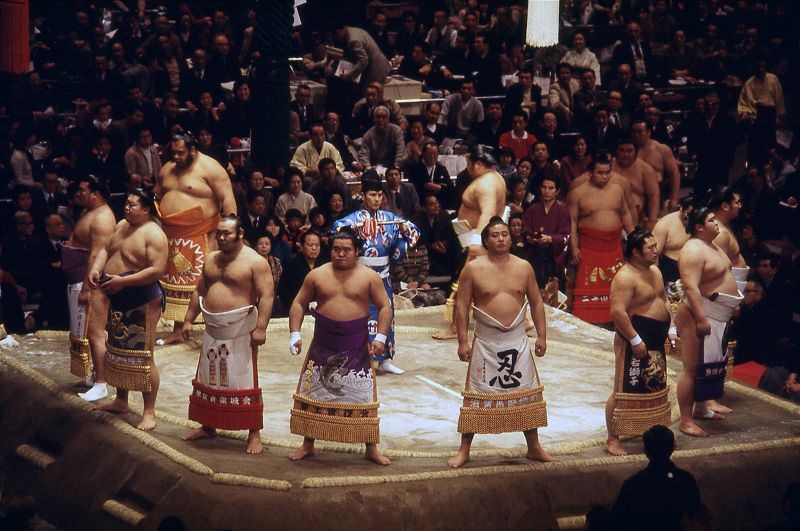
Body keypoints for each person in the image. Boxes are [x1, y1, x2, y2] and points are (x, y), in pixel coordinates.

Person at [448, 217, 553, 468]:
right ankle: (464, 449)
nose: (501, 239)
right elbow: (461, 306)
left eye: (504, 234)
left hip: (517, 340)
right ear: (485, 241)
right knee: (477, 395)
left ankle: (534, 446)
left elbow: (537, 302)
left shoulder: (524, 267)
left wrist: (542, 335)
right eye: (495, 235)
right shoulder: (473, 269)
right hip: (486, 342)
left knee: (525, 393)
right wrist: (463, 341)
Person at [288, 229, 392, 465]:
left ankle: (371, 447)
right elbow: (298, 303)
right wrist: (294, 333)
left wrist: (381, 338)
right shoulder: (317, 275)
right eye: (336, 249)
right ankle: (308, 444)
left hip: (356, 342)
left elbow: (384, 307)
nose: (341, 253)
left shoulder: (369, 277)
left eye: (346, 250)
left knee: (362, 395)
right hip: (323, 341)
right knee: (314, 391)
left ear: (357, 252)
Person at [180, 216, 273, 454]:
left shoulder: (255, 261)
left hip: (241, 327)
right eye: (218, 233)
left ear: (240, 233)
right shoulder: (211, 258)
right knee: (210, 375)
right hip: (212, 326)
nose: (221, 238)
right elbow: (200, 289)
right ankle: (207, 425)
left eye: (227, 234)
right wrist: (189, 319)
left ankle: (254, 433)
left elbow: (267, 295)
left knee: (242, 378)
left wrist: (261, 327)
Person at [86, 189, 168, 431]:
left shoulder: (154, 234)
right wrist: (96, 269)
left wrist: (123, 281)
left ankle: (149, 412)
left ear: (146, 209)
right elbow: (105, 250)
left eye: (133, 205)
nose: (127, 208)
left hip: (142, 298)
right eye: (127, 204)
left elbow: (157, 270)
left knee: (144, 357)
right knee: (117, 350)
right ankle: (121, 400)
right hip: (116, 295)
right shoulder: (122, 225)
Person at [332, 178, 419, 374]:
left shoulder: (390, 219)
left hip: (383, 276)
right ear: (363, 196)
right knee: (358, 316)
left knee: (386, 314)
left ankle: (385, 359)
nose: (377, 199)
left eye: (380, 195)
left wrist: (405, 232)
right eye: (372, 195)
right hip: (358, 277)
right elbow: (336, 230)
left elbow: (414, 232)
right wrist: (357, 229)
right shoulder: (353, 219)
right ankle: (357, 358)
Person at [155, 134, 236, 344]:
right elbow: (156, 196)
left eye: (181, 152)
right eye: (173, 153)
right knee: (176, 284)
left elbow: (227, 199)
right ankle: (178, 329)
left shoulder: (211, 168)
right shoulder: (166, 169)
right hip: (172, 235)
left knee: (201, 281)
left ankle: (217, 327)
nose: (177, 157)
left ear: (192, 149)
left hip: (203, 234)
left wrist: (227, 233)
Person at [606, 230, 674, 456]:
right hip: (635, 337)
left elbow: (663, 299)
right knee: (622, 390)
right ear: (635, 252)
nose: (656, 250)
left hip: (656, 337)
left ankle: (653, 437)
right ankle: (613, 438)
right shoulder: (625, 277)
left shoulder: (654, 270)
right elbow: (618, 312)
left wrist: (671, 328)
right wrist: (634, 339)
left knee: (653, 385)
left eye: (656, 246)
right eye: (650, 247)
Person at [676, 208, 742, 437]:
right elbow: (690, 287)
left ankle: (702, 408)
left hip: (717, 314)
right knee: (692, 369)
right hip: (699, 314)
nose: (717, 223)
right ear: (698, 227)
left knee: (707, 366)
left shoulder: (712, 246)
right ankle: (685, 420)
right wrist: (701, 318)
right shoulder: (693, 249)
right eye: (711, 220)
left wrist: (734, 304)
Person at [433, 144, 507, 340]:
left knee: (464, 284)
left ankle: (456, 328)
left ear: (479, 163)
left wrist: (478, 243)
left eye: (468, 163)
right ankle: (524, 320)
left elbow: (488, 213)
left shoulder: (486, 184)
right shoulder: (495, 178)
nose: (466, 167)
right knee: (498, 281)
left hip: (481, 240)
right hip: (481, 237)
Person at [65, 176, 116, 401]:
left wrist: (88, 287)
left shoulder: (103, 217)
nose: (79, 194)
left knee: (95, 333)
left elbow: (97, 255)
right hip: (77, 279)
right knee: (86, 332)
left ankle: (102, 383)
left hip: (90, 282)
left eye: (83, 190)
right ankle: (95, 374)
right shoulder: (89, 212)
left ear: (95, 193)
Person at [568, 152, 634, 325]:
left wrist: (634, 238)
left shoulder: (618, 189)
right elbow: (572, 223)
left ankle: (619, 318)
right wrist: (574, 247)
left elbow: (626, 213)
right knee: (588, 291)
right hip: (589, 248)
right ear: (590, 173)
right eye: (600, 173)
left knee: (619, 289)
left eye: (607, 172)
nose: (605, 177)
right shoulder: (578, 193)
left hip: (614, 247)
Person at [612, 425, 702, 529]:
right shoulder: (685, 479)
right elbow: (696, 512)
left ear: (645, 450)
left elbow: (618, 518)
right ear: (674, 447)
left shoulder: (633, 484)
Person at [522, 176, 571, 291]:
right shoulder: (532, 209)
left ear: (557, 191)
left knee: (555, 293)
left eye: (550, 188)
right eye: (544, 187)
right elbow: (525, 231)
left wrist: (550, 238)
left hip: (554, 258)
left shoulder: (562, 211)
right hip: (535, 255)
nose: (546, 191)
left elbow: (566, 235)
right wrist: (529, 237)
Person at [612, 138, 660, 230]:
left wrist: (652, 220)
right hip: (612, 216)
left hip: (638, 218)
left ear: (636, 152)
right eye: (621, 151)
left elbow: (654, 196)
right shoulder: (608, 168)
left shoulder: (645, 169)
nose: (625, 155)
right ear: (616, 152)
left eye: (629, 151)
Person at [632, 121, 680, 212]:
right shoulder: (628, 152)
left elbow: (674, 173)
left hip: (658, 192)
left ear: (648, 132)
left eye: (640, 132)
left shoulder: (661, 149)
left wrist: (674, 198)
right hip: (635, 195)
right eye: (634, 132)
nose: (636, 135)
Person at [708, 186, 748, 291]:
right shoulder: (720, 233)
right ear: (725, 206)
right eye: (737, 203)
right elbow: (715, 270)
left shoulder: (726, 225)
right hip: (727, 284)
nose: (740, 206)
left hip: (734, 280)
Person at [276, 231, 324, 316]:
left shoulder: (325, 264)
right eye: (310, 245)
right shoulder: (291, 263)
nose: (314, 248)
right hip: (296, 308)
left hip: (322, 309)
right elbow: (283, 290)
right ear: (301, 246)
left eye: (317, 245)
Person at [652, 195, 696, 285]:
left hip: (696, 268)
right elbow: (653, 255)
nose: (689, 220)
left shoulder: (701, 222)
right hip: (671, 271)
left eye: (693, 216)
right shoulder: (664, 225)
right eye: (687, 216)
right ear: (681, 209)